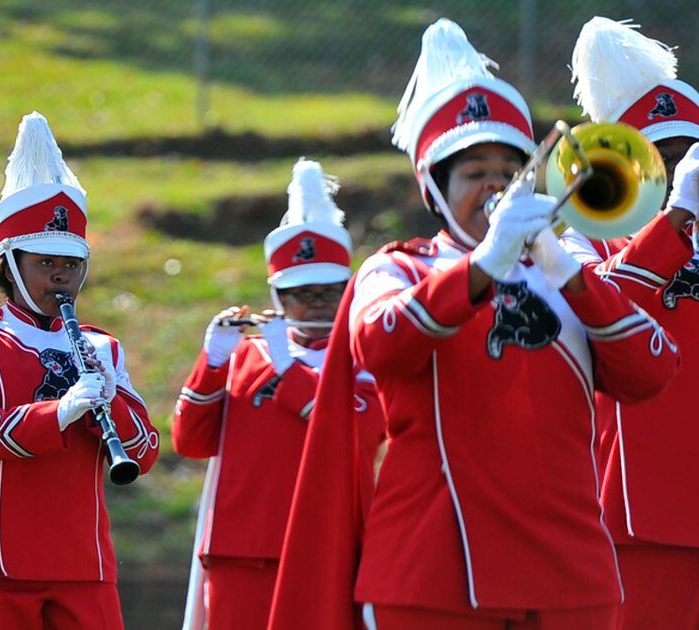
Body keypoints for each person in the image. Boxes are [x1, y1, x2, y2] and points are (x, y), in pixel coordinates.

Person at [268, 19, 679, 630]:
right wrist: (485, 264)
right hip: (433, 574)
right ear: (435, 189)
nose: (491, 185)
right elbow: (381, 345)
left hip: (573, 578)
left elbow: (650, 370)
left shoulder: (568, 269)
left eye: (506, 168)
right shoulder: (398, 268)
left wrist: (563, 268)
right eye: (470, 171)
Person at [0, 112, 159, 630]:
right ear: (11, 264)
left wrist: (116, 400)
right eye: (46, 263)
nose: (61, 275)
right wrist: (60, 412)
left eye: (71, 264)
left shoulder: (101, 348)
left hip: (84, 562)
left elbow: (145, 452)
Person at [174, 158, 386, 630]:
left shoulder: (366, 358)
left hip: (331, 547)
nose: (316, 306)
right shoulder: (247, 355)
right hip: (241, 552)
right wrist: (210, 364)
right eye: (300, 295)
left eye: (329, 293)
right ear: (277, 297)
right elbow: (191, 441)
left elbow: (357, 433)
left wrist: (288, 370)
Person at [567, 17, 699, 630]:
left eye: (687, 153)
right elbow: (597, 313)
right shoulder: (581, 244)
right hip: (638, 517)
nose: (676, 169)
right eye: (660, 155)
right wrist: (673, 224)